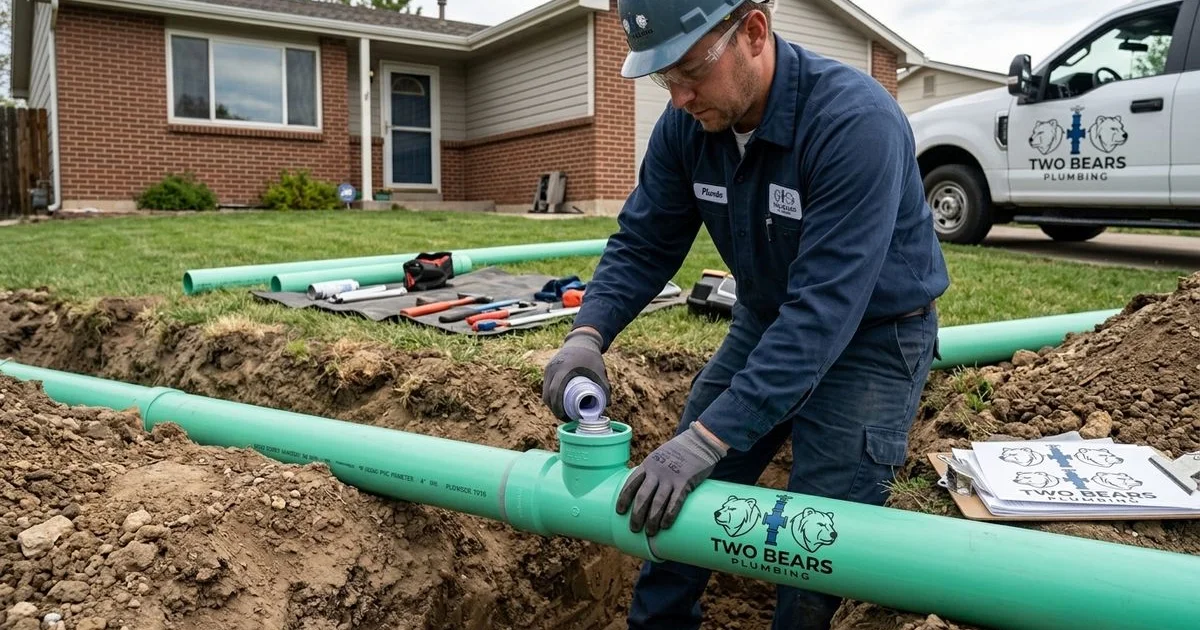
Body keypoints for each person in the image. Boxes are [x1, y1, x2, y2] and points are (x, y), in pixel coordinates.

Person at [541, 0, 950, 628]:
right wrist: (588, 334)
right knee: (670, 501)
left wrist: (709, 438)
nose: (678, 97)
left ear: (753, 31)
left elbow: (824, 310)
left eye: (688, 71)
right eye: (663, 78)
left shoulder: (853, 122)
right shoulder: (687, 126)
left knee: (816, 543)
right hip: (767, 319)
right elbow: (644, 242)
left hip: (874, 337)